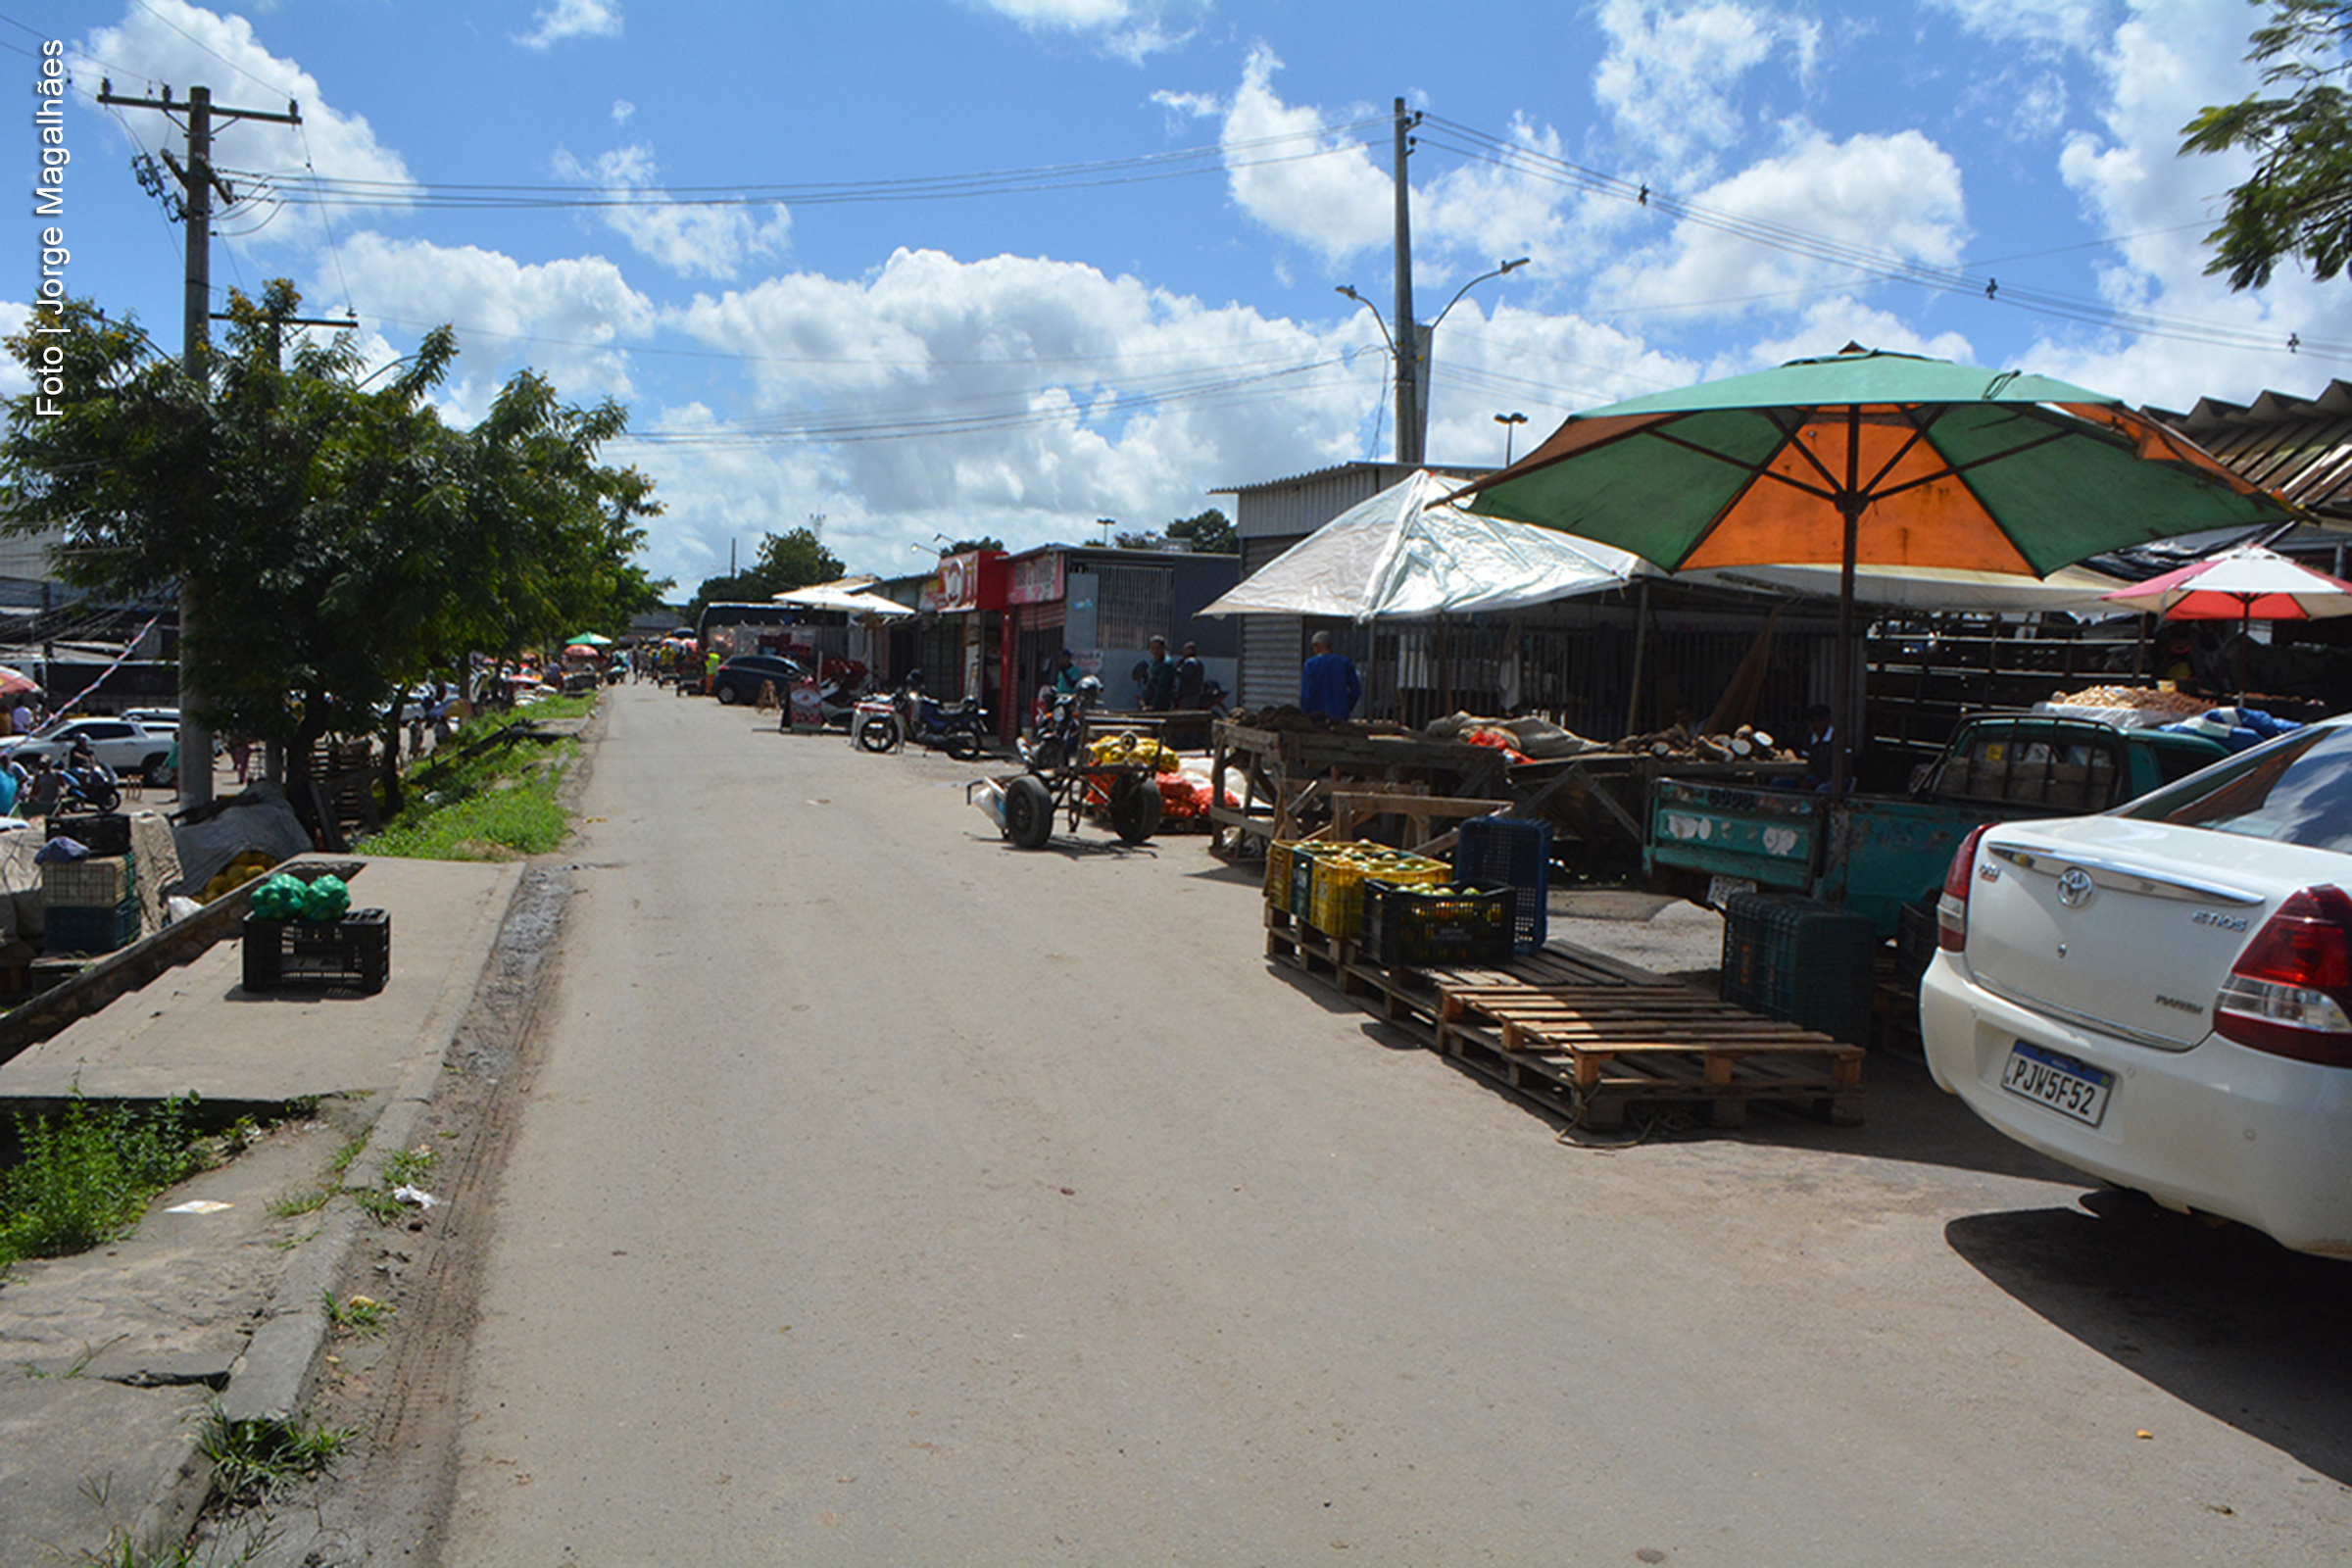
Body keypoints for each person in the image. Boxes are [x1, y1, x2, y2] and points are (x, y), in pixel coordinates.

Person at [1298, 629, 1360, 721]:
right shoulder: (1344, 662)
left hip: (1317, 716)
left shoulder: (1310, 665)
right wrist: (1347, 706)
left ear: (1317, 646)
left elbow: (1306, 694)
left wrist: (1306, 713)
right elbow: (1356, 690)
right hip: (1340, 715)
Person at [1132, 635, 1178, 711]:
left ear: (1163, 649)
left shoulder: (1166, 664)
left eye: (1158, 648)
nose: (1155, 651)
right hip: (1150, 702)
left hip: (1161, 706)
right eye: (1153, 648)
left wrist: (1154, 706)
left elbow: (1162, 688)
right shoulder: (1153, 662)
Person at [1174, 641, 1205, 710]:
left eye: (1185, 649)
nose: (1183, 652)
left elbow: (1183, 674)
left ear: (1191, 650)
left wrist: (1176, 669)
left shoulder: (1190, 662)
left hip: (1188, 694)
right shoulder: (1199, 663)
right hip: (1195, 693)